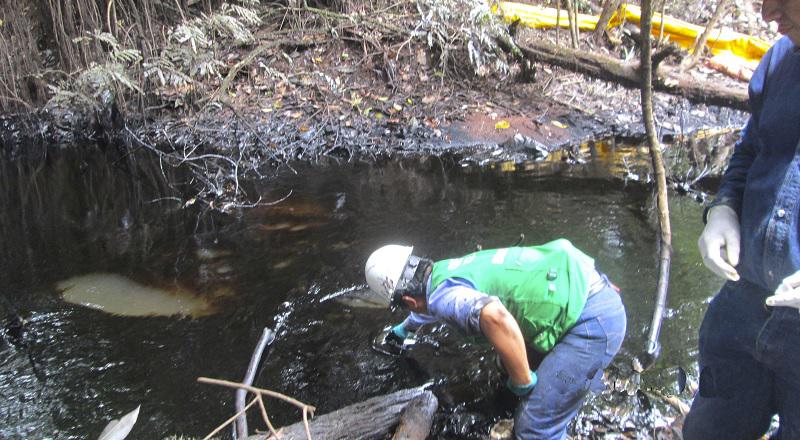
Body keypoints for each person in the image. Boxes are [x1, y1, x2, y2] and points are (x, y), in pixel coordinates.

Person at [364, 238, 626, 439]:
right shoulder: (444, 271)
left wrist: (524, 381)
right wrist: (405, 328)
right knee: (506, 367)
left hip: (592, 324)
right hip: (581, 290)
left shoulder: (444, 297)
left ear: (408, 301)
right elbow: (438, 303)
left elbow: (494, 316)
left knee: (533, 427)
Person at [683, 1, 800, 438]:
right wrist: (723, 207)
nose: (769, 15)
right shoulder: (780, 57)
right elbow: (752, 147)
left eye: (783, 0)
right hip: (743, 305)